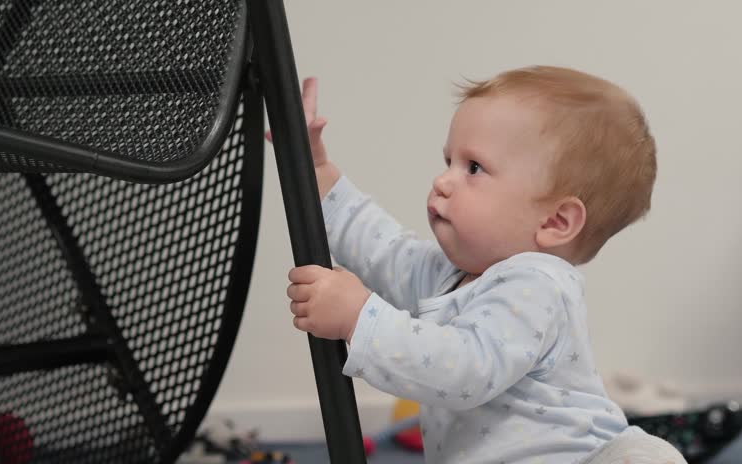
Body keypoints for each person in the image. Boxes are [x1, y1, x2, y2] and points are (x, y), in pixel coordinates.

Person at [277, 67, 683, 463]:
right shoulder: (443, 274)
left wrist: (359, 318)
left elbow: (465, 368)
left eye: (473, 168)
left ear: (556, 222)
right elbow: (378, 245)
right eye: (448, 160)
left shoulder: (539, 284)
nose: (442, 180)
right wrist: (315, 171)